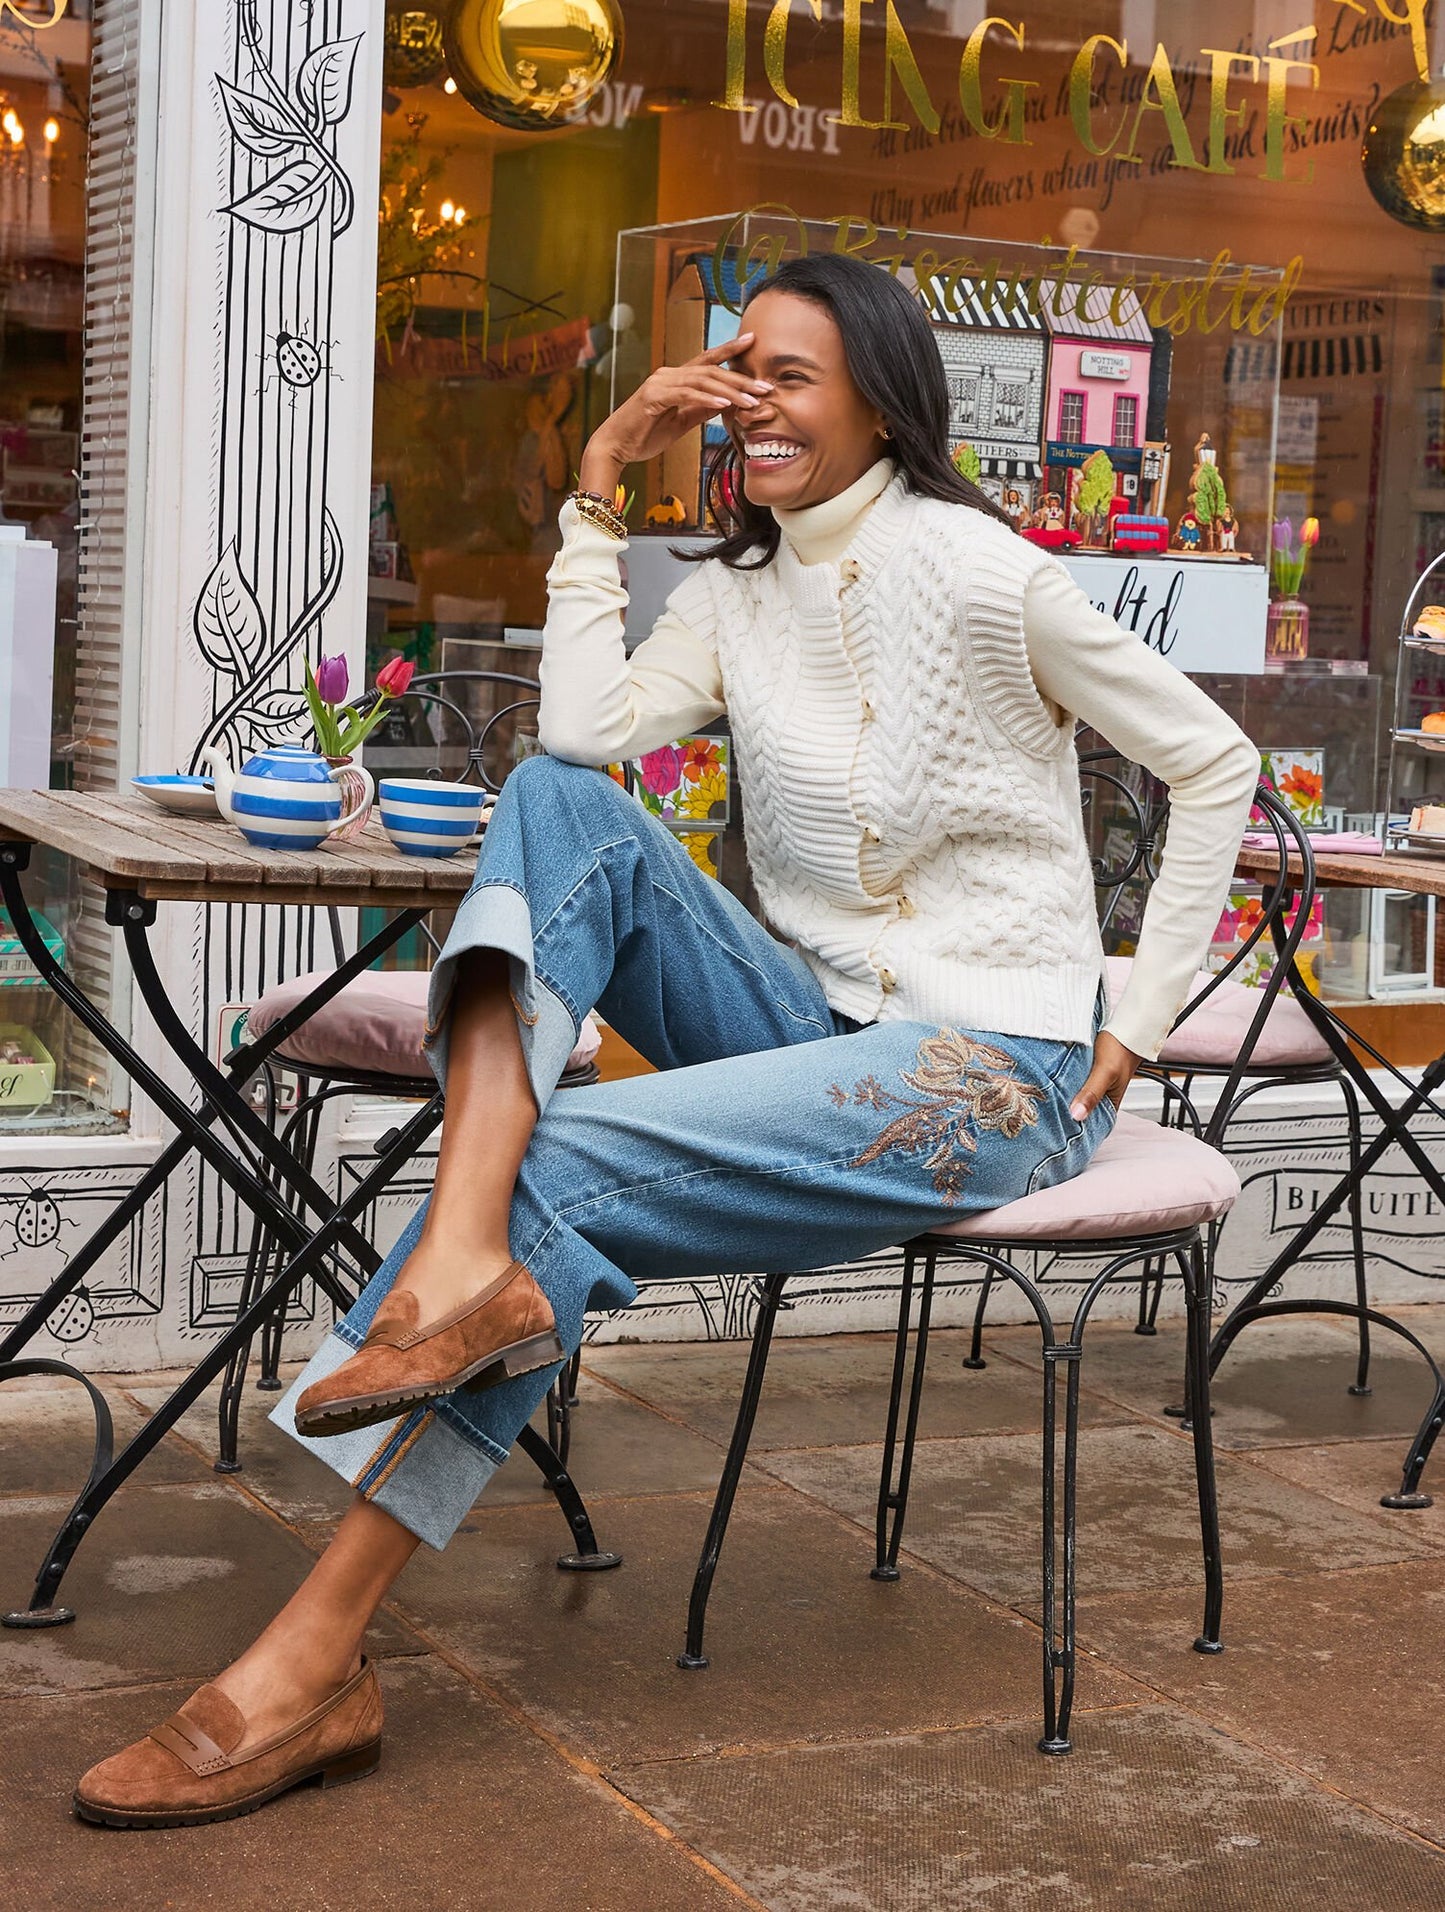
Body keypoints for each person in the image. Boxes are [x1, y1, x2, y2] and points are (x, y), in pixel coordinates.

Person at [75, 253, 1258, 1827]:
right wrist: (594, 484)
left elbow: (1216, 762)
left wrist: (1138, 1025)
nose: (745, 398)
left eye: (787, 374)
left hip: (990, 1065)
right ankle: (471, 1247)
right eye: (735, 364)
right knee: (561, 807)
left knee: (557, 1168)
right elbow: (577, 744)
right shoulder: (728, 595)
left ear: (879, 400)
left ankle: (315, 1649)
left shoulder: (990, 575)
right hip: (806, 1022)